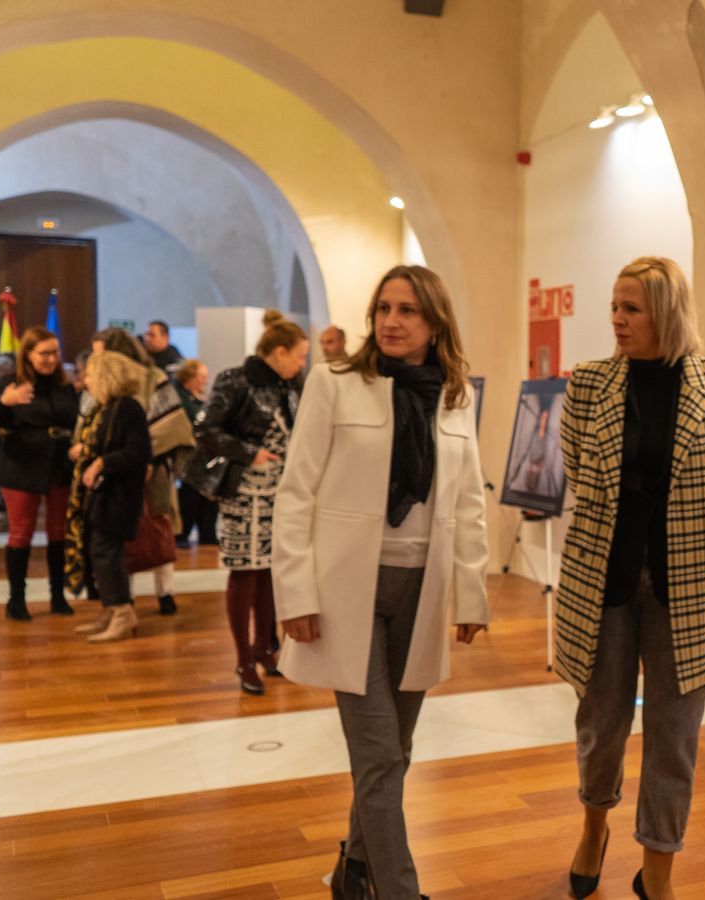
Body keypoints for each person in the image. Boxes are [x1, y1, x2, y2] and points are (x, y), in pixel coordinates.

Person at [273, 265, 488, 900]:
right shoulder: (334, 382)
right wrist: (296, 594)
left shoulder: (455, 396)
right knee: (379, 755)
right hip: (347, 592)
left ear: (435, 324)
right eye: (384, 309)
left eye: (408, 311)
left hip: (423, 591)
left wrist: (471, 595)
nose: (392, 322)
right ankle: (399, 889)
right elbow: (296, 494)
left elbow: (468, 503)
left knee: (395, 747)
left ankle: (354, 870)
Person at [556, 257, 705, 900]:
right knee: (600, 721)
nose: (617, 318)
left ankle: (658, 868)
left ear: (665, 312)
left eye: (630, 308)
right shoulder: (589, 382)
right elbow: (578, 472)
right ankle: (593, 828)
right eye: (615, 306)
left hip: (688, 585)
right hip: (602, 580)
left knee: (675, 737)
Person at [196, 311, 307, 695]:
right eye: (299, 355)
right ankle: (244, 658)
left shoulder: (291, 386)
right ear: (279, 352)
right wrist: (249, 452)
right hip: (242, 494)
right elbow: (205, 429)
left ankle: (265, 648)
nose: (302, 363)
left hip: (281, 493)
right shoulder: (236, 379)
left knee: (271, 572)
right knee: (245, 573)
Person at [88, 328, 196, 614]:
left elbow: (171, 425)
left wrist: (143, 454)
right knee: (120, 534)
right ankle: (124, 599)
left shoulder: (152, 377)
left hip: (152, 469)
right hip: (115, 470)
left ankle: (165, 592)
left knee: (158, 528)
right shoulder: (101, 379)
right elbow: (90, 423)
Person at [0, 327, 79, 620]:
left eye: (55, 352)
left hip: (59, 465)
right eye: (44, 353)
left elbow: (73, 420)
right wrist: (5, 402)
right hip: (21, 466)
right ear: (28, 354)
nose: (51, 359)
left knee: (58, 533)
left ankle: (58, 596)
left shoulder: (64, 386)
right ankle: (16, 599)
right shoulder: (10, 384)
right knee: (21, 533)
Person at [66, 350, 152, 643]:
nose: (86, 379)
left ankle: (123, 613)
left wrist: (101, 462)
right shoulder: (107, 407)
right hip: (104, 493)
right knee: (100, 553)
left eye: (90, 374)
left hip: (119, 494)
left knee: (106, 553)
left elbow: (138, 452)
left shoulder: (127, 408)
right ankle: (112, 609)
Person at [171, 360, 217, 548]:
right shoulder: (181, 399)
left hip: (200, 455)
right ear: (189, 378)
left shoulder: (194, 398)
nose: (205, 381)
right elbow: (200, 421)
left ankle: (205, 534)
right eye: (202, 377)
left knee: (202, 494)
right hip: (189, 455)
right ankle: (185, 533)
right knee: (191, 494)